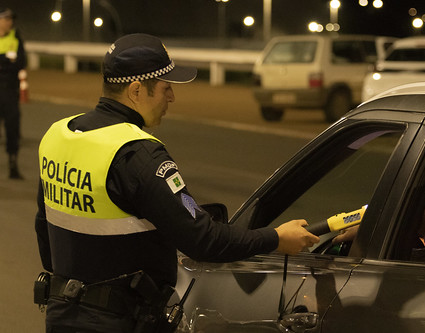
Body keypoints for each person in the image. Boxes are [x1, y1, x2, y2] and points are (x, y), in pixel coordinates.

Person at [34, 33, 319, 333]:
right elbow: (203, 240)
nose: (171, 98)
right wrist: (275, 238)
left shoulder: (58, 135)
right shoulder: (138, 153)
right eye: (165, 88)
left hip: (62, 314)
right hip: (119, 322)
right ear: (135, 90)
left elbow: (45, 228)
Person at [0, 8, 25, 179]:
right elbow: (12, 62)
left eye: (11, 19)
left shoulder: (16, 38)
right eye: (5, 19)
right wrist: (6, 60)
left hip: (9, 89)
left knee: (12, 127)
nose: (9, 22)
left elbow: (22, 62)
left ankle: (12, 165)